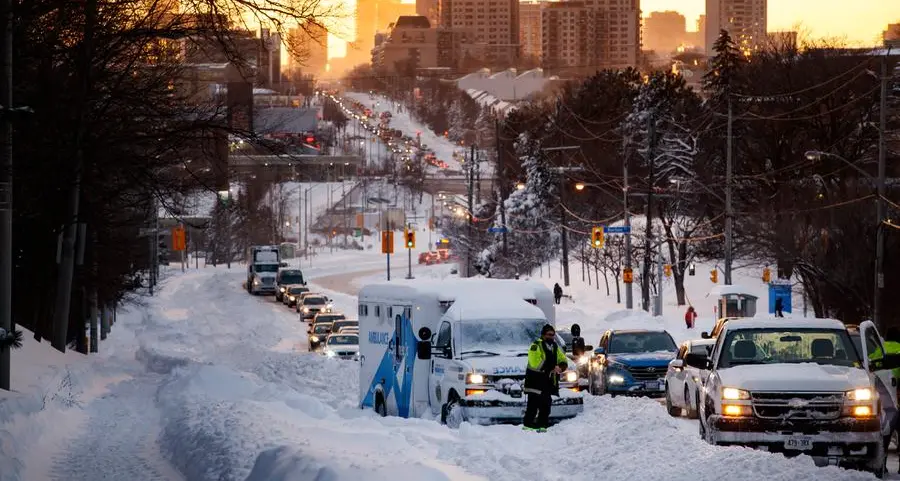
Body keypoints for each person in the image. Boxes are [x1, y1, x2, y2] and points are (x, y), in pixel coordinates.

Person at [523, 324, 568, 432]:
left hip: (547, 383)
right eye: (549, 334)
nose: (551, 337)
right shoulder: (535, 346)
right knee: (532, 407)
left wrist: (560, 368)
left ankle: (542, 427)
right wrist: (552, 367)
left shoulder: (555, 347)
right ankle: (528, 428)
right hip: (535, 383)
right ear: (543, 335)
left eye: (553, 335)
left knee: (546, 406)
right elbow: (535, 363)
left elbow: (563, 359)